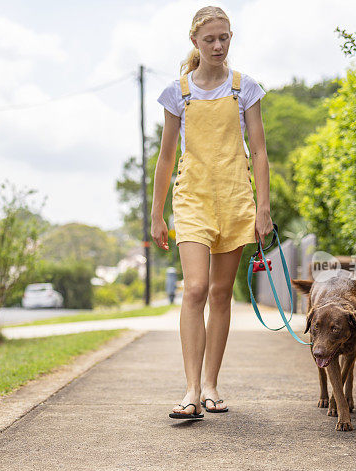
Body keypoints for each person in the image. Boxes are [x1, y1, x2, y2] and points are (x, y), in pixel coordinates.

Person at [151, 6, 273, 419]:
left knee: (221, 295)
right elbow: (166, 157)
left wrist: (263, 209)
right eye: (210, 40)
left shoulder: (245, 89)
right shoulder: (178, 93)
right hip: (193, 199)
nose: (218, 46)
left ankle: (211, 385)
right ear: (195, 43)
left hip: (236, 199)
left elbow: (259, 152)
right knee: (195, 289)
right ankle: (189, 390)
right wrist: (156, 214)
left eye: (224, 38)